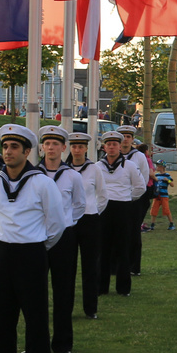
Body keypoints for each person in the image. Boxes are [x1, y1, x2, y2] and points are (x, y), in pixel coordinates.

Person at [0, 124, 66, 353]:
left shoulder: (42, 182)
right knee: (3, 322)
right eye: (5, 147)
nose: (8, 152)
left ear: (28, 152)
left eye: (14, 147)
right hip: (3, 253)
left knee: (36, 322)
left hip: (32, 254)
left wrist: (37, 245)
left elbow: (56, 223)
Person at [35, 126, 85, 353]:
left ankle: (63, 342)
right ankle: (37, 341)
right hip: (37, 236)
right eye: (47, 144)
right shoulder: (33, 175)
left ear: (64, 148)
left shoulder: (73, 176)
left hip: (64, 238)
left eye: (56, 144)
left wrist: (65, 223)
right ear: (42, 147)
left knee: (63, 291)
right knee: (35, 292)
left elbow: (80, 205)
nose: (51, 148)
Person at [98, 131, 145, 296]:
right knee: (103, 249)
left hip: (123, 208)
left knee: (123, 248)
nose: (111, 147)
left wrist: (128, 198)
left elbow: (140, 186)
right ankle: (101, 287)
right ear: (104, 147)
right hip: (104, 209)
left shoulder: (130, 166)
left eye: (115, 144)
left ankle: (123, 288)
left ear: (119, 146)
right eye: (108, 144)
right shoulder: (97, 166)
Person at [66, 131, 107, 320]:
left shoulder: (94, 169)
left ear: (86, 149)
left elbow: (102, 195)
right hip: (68, 222)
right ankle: (66, 307)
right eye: (74, 146)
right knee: (67, 267)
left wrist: (93, 212)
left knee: (90, 266)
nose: (77, 150)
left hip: (89, 220)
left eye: (80, 146)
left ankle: (91, 309)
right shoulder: (63, 169)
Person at [120, 125, 152, 271]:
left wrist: (133, 196)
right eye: (123, 137)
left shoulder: (139, 157)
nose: (125, 140)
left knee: (133, 233)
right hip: (117, 200)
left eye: (128, 137)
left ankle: (134, 266)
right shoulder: (113, 155)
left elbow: (144, 178)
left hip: (135, 199)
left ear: (132, 139)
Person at [148, 162, 175, 231]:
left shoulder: (167, 175)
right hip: (157, 196)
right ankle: (152, 224)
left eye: (158, 166)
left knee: (166, 210)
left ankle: (171, 224)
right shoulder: (156, 175)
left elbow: (172, 184)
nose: (156, 167)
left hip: (164, 196)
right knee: (154, 210)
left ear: (162, 167)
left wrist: (167, 180)